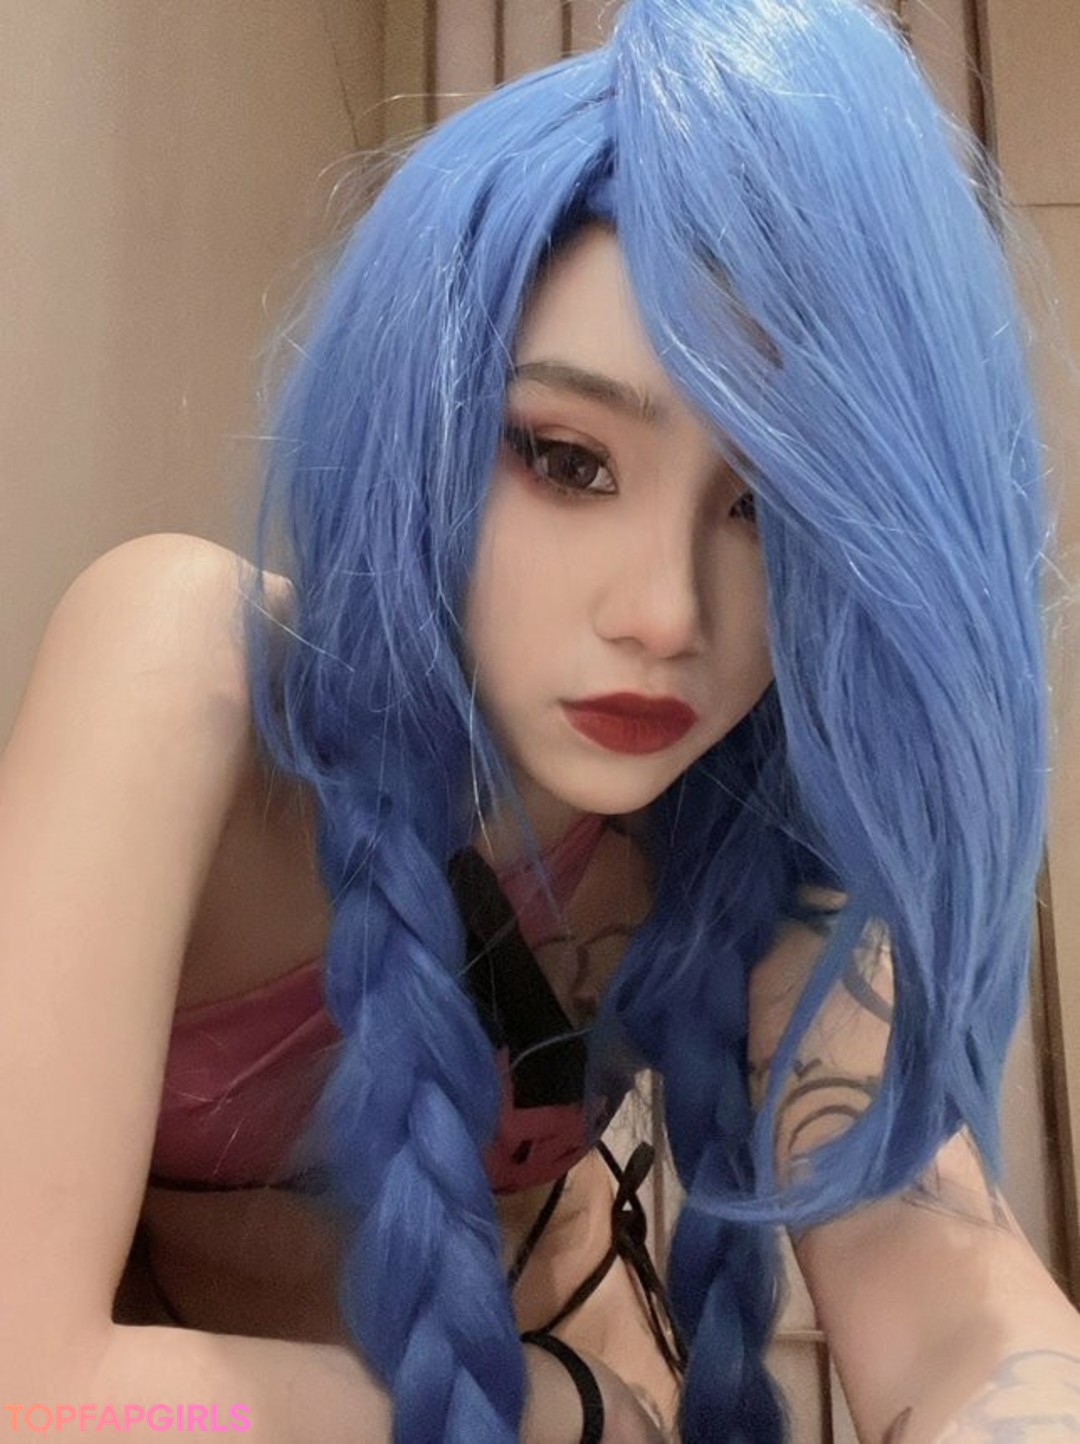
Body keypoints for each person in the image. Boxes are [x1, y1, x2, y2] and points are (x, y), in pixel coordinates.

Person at [2, 0, 1079, 1439]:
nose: (667, 613)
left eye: (767, 513)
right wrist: (581, 1420)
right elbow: (27, 1381)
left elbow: (947, 1295)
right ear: (428, 422)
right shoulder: (188, 668)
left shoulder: (752, 830)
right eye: (569, 460)